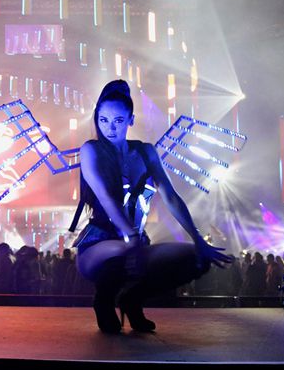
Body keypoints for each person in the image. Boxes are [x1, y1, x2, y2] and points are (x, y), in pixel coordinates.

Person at [69, 79, 231, 333]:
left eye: (118, 121)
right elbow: (104, 197)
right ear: (96, 119)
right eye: (103, 120)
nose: (110, 128)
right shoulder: (91, 150)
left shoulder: (146, 152)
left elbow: (171, 196)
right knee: (121, 252)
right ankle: (104, 302)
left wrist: (198, 238)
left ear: (131, 120)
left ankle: (132, 299)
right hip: (97, 246)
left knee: (197, 259)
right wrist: (130, 236)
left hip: (137, 242)